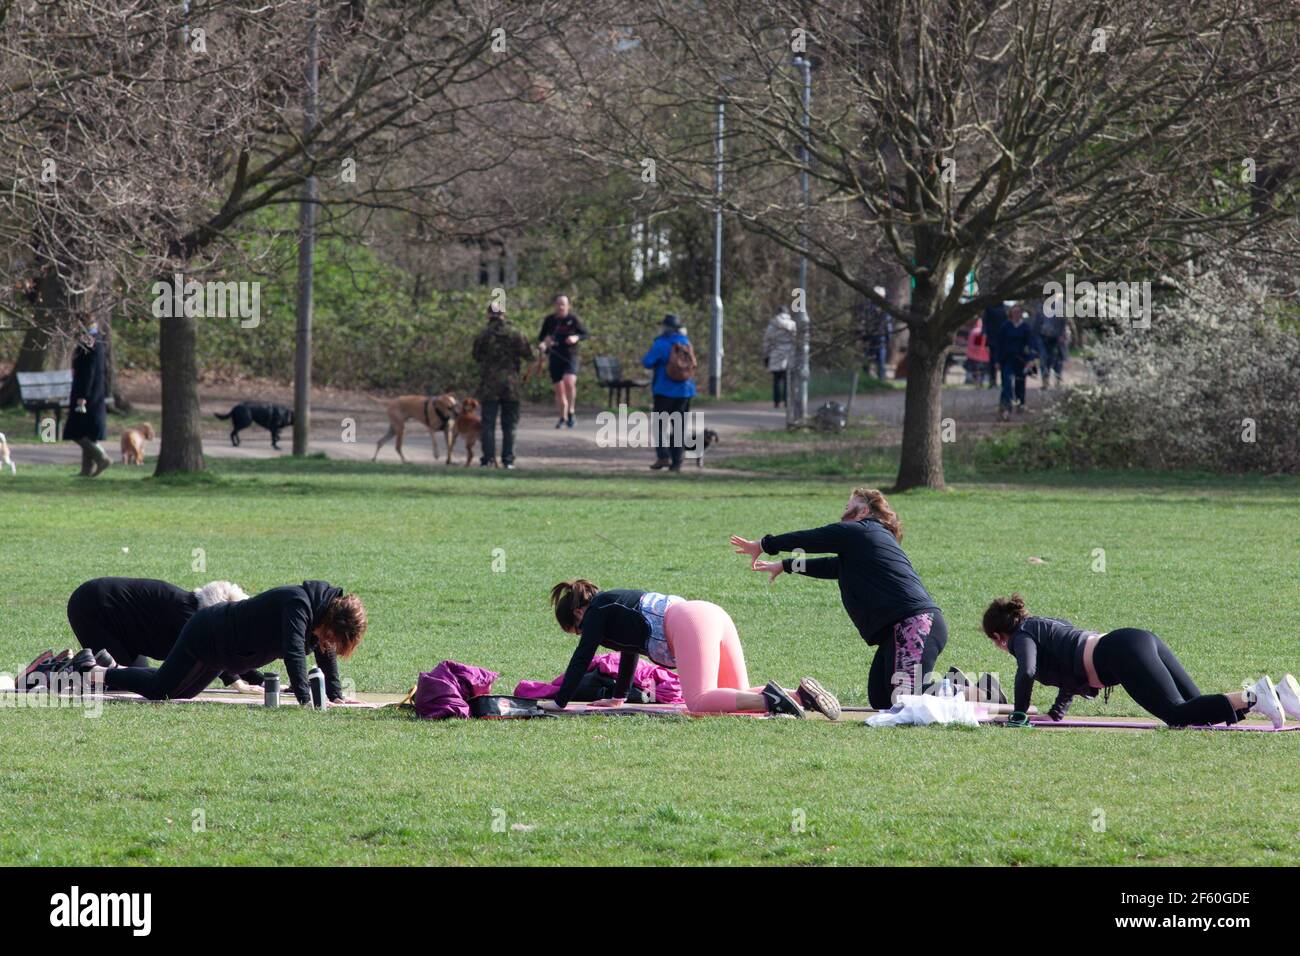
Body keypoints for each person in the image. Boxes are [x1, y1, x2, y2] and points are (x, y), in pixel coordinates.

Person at [731, 487, 947, 710]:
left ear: (862, 511)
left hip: (914, 626)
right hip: (899, 630)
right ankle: (952, 688)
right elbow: (834, 566)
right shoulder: (865, 541)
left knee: (904, 702)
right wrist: (785, 566)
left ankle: (966, 687)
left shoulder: (860, 532)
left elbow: (813, 538)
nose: (842, 513)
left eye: (847, 507)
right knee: (881, 699)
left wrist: (765, 545)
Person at [981, 594, 1300, 729]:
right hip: (1137, 639)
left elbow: (1028, 671)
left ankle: (1256, 695)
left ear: (998, 636)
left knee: (1177, 716)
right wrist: (1056, 713)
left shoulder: (1022, 637)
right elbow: (1067, 672)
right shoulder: (1043, 625)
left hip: (1120, 653)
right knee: (1196, 709)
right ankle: (1280, 696)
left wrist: (1019, 715)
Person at [545, 579, 841, 718]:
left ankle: (775, 703)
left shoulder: (596, 609)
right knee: (732, 697)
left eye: (576, 630)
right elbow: (629, 652)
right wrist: (618, 697)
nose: (582, 635)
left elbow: (583, 655)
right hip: (712, 615)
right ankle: (799, 695)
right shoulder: (612, 606)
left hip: (689, 621)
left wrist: (560, 702)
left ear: (577, 615)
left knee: (697, 701)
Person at [82, 581, 366, 705]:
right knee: (160, 691)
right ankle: (94, 672)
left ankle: (109, 666)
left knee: (178, 693)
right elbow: (294, 654)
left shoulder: (319, 618)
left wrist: (335, 693)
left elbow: (325, 654)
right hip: (207, 634)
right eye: (330, 636)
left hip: (223, 656)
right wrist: (306, 702)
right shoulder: (298, 605)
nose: (326, 643)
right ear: (330, 619)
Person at [64, 576, 264, 691]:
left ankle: (75, 664)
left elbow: (225, 651)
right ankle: (63, 669)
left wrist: (260, 681)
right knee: (118, 680)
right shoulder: (188, 620)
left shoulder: (191, 612)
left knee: (133, 677)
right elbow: (216, 654)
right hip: (91, 607)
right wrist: (239, 684)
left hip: (124, 626)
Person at [472, 303, 534, 469]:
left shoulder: (484, 335)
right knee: (510, 424)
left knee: (488, 423)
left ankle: (488, 459)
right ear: (504, 314)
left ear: (488, 315)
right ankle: (508, 460)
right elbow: (529, 356)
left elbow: (476, 356)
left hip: (489, 384)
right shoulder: (516, 334)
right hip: (511, 384)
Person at [642, 313, 696, 472]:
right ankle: (677, 462)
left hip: (664, 390)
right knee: (679, 427)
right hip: (685, 390)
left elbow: (647, 362)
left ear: (665, 327)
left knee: (659, 425)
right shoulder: (686, 342)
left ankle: (663, 456)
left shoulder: (661, 343)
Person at [64, 322, 111, 477]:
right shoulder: (95, 339)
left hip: (86, 395)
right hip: (94, 394)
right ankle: (86, 470)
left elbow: (88, 372)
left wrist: (82, 396)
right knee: (87, 432)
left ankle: (101, 457)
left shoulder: (90, 343)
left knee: (76, 432)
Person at [537, 294, 588, 429]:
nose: (560, 307)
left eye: (563, 304)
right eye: (558, 304)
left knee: (569, 381)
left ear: (568, 306)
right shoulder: (549, 320)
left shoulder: (573, 319)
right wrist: (544, 343)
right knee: (559, 390)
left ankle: (571, 411)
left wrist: (576, 338)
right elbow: (542, 337)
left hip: (570, 356)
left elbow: (585, 334)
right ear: (555, 305)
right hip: (555, 356)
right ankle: (562, 416)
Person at [995, 304, 1035, 420]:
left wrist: (1030, 359)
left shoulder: (1025, 327)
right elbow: (999, 344)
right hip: (1007, 359)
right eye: (1014, 312)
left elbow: (1030, 344)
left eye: (1019, 312)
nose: (1017, 314)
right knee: (1007, 382)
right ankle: (1006, 406)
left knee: (1020, 383)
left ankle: (1020, 403)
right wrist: (997, 360)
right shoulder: (1005, 326)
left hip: (1021, 360)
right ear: (1011, 313)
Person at [763, 309, 797, 408]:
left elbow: (766, 342)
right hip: (789, 354)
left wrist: (766, 356)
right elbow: (796, 340)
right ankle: (787, 401)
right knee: (788, 380)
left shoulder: (772, 326)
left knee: (776, 380)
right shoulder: (792, 324)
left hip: (775, 354)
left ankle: (776, 402)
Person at [1032, 297, 1070, 389]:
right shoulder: (1040, 308)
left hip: (1056, 338)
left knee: (1056, 359)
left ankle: (1057, 379)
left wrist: (1062, 334)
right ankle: (1045, 380)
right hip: (1043, 337)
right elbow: (1036, 325)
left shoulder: (1059, 306)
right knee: (1044, 358)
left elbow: (1063, 321)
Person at [864, 289, 893, 381]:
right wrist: (889, 339)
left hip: (874, 339)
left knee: (869, 360)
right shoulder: (884, 309)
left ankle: (867, 378)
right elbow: (888, 326)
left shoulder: (869, 309)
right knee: (880, 362)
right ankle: (879, 379)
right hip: (880, 339)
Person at [981, 302, 1007, 389]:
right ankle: (993, 380)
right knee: (992, 360)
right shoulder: (990, 309)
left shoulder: (1002, 308)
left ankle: (997, 380)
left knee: (998, 359)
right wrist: (984, 333)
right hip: (993, 337)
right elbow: (985, 323)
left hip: (999, 338)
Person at [965, 317, 990, 386]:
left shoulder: (973, 331)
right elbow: (979, 346)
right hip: (980, 355)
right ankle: (978, 382)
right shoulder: (979, 332)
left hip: (971, 355)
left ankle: (976, 382)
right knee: (979, 370)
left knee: (975, 370)